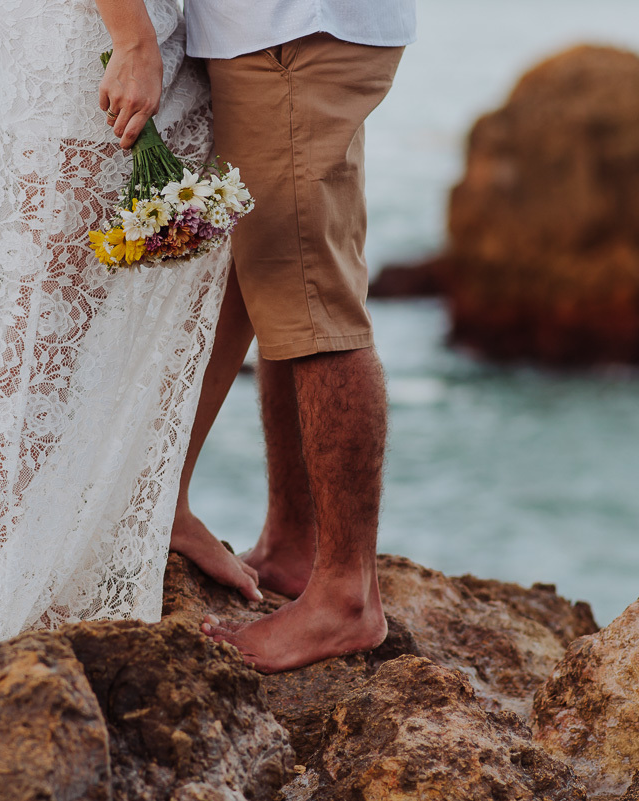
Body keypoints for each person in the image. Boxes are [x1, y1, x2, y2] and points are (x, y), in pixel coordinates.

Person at [0, 0, 261, 671]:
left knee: (203, 246)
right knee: (50, 302)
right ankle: (8, 570)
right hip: (97, 28)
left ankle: (149, 505)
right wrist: (130, 39)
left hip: (150, 25)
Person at [175, 0, 417, 672]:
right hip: (283, 33)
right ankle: (294, 541)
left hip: (291, 34)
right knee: (285, 290)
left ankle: (345, 598)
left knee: (312, 301)